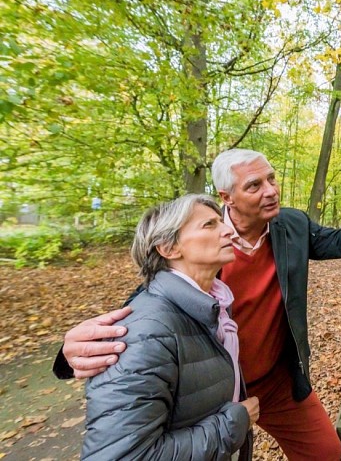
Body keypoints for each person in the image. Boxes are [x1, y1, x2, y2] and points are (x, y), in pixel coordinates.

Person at [55, 149, 341, 460]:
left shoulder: (291, 225)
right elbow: (149, 307)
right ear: (227, 197)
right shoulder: (201, 243)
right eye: (254, 185)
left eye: (272, 179)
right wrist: (71, 355)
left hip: (274, 379)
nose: (270, 190)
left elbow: (339, 243)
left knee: (324, 451)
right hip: (209, 390)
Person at [81, 194, 259, 460]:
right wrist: (234, 422)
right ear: (168, 248)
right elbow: (127, 455)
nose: (227, 230)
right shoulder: (146, 334)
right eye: (209, 225)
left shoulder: (212, 306)